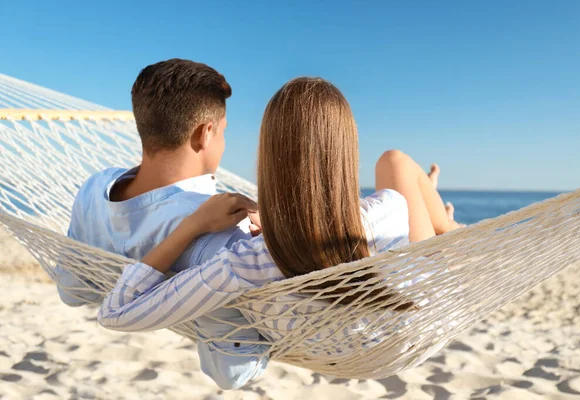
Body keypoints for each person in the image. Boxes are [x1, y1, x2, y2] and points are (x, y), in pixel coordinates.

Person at [96, 77, 461, 378]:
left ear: (268, 156)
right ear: (346, 151)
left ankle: (441, 216)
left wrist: (193, 226)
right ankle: (447, 221)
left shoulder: (247, 261)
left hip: (344, 350)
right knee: (395, 161)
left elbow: (116, 312)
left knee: (404, 185)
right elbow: (342, 217)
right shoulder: (388, 210)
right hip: (419, 324)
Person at [54, 59, 269, 389]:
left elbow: (71, 290)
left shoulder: (95, 189)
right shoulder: (220, 232)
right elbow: (231, 372)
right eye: (223, 131)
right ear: (205, 133)